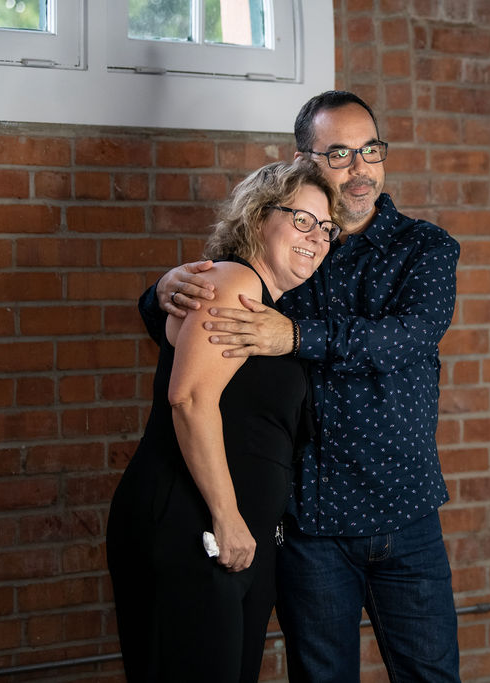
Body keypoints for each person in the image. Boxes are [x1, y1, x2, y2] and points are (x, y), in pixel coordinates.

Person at [140, 90, 462, 682]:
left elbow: (405, 339)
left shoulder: (427, 249)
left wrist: (294, 336)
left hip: (404, 515)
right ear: (304, 161)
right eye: (338, 153)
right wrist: (163, 288)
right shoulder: (291, 243)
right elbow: (218, 304)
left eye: (370, 149)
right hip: (308, 525)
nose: (359, 168)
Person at [108, 161, 340, 682]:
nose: (318, 238)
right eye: (303, 220)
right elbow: (189, 398)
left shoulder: (270, 304)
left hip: (232, 537)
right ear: (258, 217)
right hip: (195, 523)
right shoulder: (235, 280)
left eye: (326, 228)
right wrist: (228, 516)